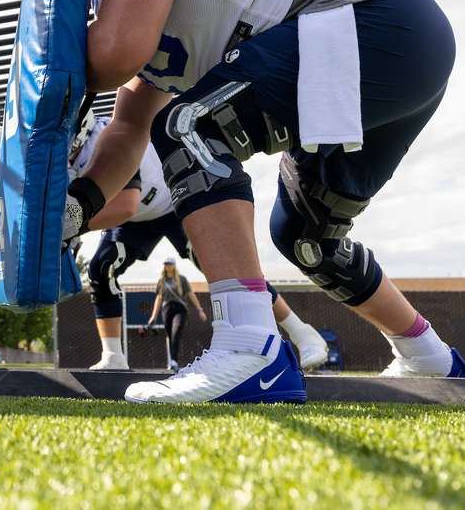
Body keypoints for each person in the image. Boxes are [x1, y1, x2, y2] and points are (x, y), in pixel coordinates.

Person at [36, 0, 465, 403]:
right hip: (395, 44)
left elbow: (118, 51)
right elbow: (129, 127)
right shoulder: (140, 6)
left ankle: (249, 348)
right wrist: (79, 204)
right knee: (306, 237)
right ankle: (430, 357)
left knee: (191, 125)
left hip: (369, 16)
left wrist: (53, 79)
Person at [72, 114, 327, 371]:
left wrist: (70, 228)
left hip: (172, 202)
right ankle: (113, 355)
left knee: (231, 269)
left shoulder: (106, 139)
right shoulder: (65, 160)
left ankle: (301, 332)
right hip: (136, 217)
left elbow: (126, 204)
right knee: (101, 268)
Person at [143, 257, 206, 372]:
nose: (168, 266)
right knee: (170, 335)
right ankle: (172, 362)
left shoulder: (181, 279)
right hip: (167, 309)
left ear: (174, 265)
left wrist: (199, 310)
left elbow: (191, 294)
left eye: (170, 264)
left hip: (180, 308)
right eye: (166, 264)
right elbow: (159, 298)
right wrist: (153, 316)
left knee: (175, 332)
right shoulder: (162, 281)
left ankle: (174, 361)